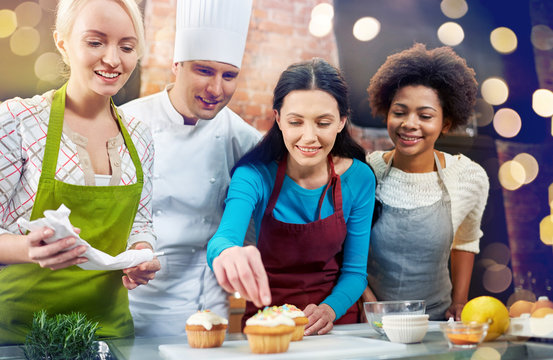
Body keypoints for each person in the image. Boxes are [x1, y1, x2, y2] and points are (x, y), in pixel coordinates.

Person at [0, 0, 160, 345]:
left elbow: (140, 222)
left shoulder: (139, 134)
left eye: (127, 46)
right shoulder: (19, 121)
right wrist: (28, 248)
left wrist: (142, 253)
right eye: (95, 42)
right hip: (20, 335)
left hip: (109, 332)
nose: (113, 59)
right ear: (62, 43)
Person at [119, 0, 261, 337]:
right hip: (130, 300)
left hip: (207, 306)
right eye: (204, 70)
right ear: (177, 65)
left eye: (229, 76)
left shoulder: (244, 138)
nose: (216, 89)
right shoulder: (127, 122)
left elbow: (253, 223)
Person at [207, 58, 377, 336]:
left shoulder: (359, 178)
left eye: (323, 123)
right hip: (268, 323)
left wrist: (328, 310)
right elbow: (224, 238)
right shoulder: (254, 174)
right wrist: (227, 253)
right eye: (295, 122)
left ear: (341, 121)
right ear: (278, 119)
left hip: (334, 324)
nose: (309, 137)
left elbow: (355, 273)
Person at [362, 43, 489, 321]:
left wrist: (459, 301)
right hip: (371, 322)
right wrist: (370, 308)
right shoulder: (365, 172)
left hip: (437, 323)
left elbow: (465, 241)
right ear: (387, 112)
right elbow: (346, 249)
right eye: (400, 112)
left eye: (425, 115)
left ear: (445, 122)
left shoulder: (468, 177)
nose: (409, 123)